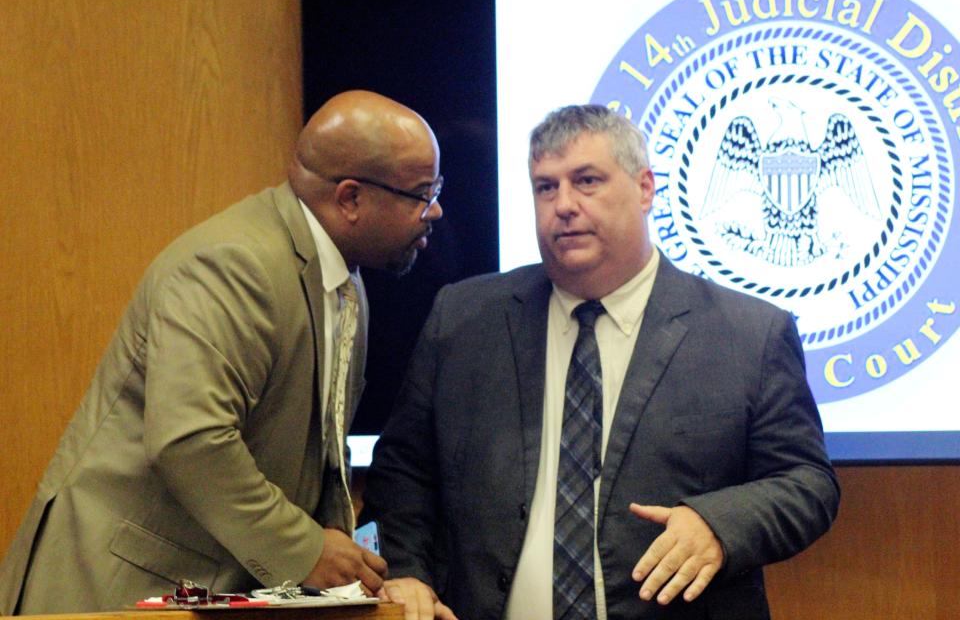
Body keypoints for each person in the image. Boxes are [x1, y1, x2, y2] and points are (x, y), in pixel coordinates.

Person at [362, 104, 841, 619]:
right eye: (546, 187)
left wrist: (718, 525)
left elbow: (806, 482)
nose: (563, 205)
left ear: (644, 189)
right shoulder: (463, 319)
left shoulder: (749, 333)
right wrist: (406, 571)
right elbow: (401, 476)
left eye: (586, 181)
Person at [0, 90, 448, 615]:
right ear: (349, 199)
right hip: (117, 593)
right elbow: (191, 441)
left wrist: (369, 585)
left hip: (211, 590)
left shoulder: (346, 283)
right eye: (422, 192)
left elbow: (320, 455)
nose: (435, 210)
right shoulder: (234, 263)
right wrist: (304, 550)